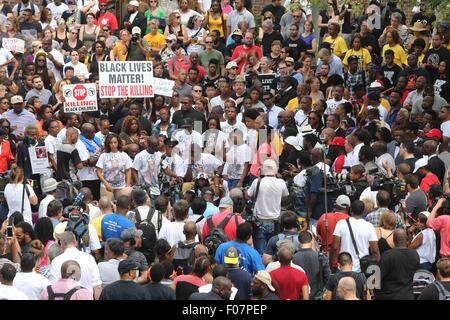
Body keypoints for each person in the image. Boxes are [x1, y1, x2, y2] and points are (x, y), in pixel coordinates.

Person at [246, 159, 289, 254]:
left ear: (262, 170)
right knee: (274, 252)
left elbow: (247, 195)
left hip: (259, 223)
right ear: (276, 170)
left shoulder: (257, 182)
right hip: (275, 222)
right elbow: (286, 198)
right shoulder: (281, 182)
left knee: (260, 253)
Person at [330, 200, 380, 273]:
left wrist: (332, 265)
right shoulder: (369, 226)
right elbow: (375, 250)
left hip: (344, 266)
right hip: (362, 268)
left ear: (350, 210)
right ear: (363, 211)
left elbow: (335, 247)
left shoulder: (341, 224)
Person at [50, 231, 102, 298]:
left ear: (62, 244)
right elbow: (97, 286)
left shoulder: (56, 261)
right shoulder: (89, 258)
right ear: (76, 242)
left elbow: (54, 286)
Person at [374, 229, 420, 300]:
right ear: (407, 240)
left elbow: (376, 279)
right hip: (407, 295)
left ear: (393, 240)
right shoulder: (415, 255)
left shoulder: (387, 255)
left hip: (389, 296)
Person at [293, 230, 330, 299]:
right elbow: (328, 278)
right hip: (317, 295)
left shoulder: (294, 258)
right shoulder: (321, 257)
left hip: (300, 295)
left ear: (299, 242)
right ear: (311, 241)